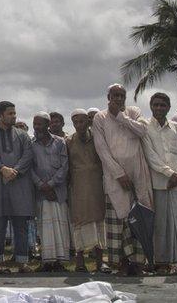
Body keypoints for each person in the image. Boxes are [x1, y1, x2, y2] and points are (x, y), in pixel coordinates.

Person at [91, 84, 152, 276]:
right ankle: (122, 265)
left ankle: (139, 264)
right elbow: (102, 150)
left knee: (138, 220)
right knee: (118, 221)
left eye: (122, 95)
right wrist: (119, 174)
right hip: (114, 178)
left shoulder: (133, 112)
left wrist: (121, 117)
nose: (118, 99)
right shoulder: (99, 118)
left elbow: (142, 131)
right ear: (108, 96)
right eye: (115, 95)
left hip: (138, 175)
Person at [140, 93, 177, 274]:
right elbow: (151, 156)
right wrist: (169, 174)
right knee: (161, 224)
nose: (159, 108)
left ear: (168, 107)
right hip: (159, 183)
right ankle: (162, 262)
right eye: (155, 105)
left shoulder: (176, 127)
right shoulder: (145, 127)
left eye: (163, 105)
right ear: (151, 106)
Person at [0, 101, 34, 273]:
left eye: (14, 113)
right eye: (10, 113)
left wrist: (16, 171)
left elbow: (28, 155)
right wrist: (2, 169)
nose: (14, 116)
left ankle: (22, 261)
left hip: (20, 185)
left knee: (21, 225)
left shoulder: (23, 135)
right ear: (0, 116)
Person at [67, 109, 110, 273]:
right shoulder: (69, 141)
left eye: (82, 121)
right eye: (75, 122)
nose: (79, 125)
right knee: (79, 223)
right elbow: (67, 168)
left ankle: (100, 262)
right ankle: (80, 262)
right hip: (78, 189)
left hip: (96, 188)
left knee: (99, 223)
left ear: (88, 121)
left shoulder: (98, 139)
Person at [32, 112, 71, 272]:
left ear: (48, 125)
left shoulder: (60, 142)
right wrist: (42, 185)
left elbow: (64, 166)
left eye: (39, 124)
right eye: (34, 124)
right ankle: (46, 261)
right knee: (45, 228)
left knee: (60, 227)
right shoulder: (31, 144)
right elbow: (30, 168)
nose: (36, 127)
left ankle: (59, 262)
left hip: (57, 192)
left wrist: (52, 184)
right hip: (41, 193)